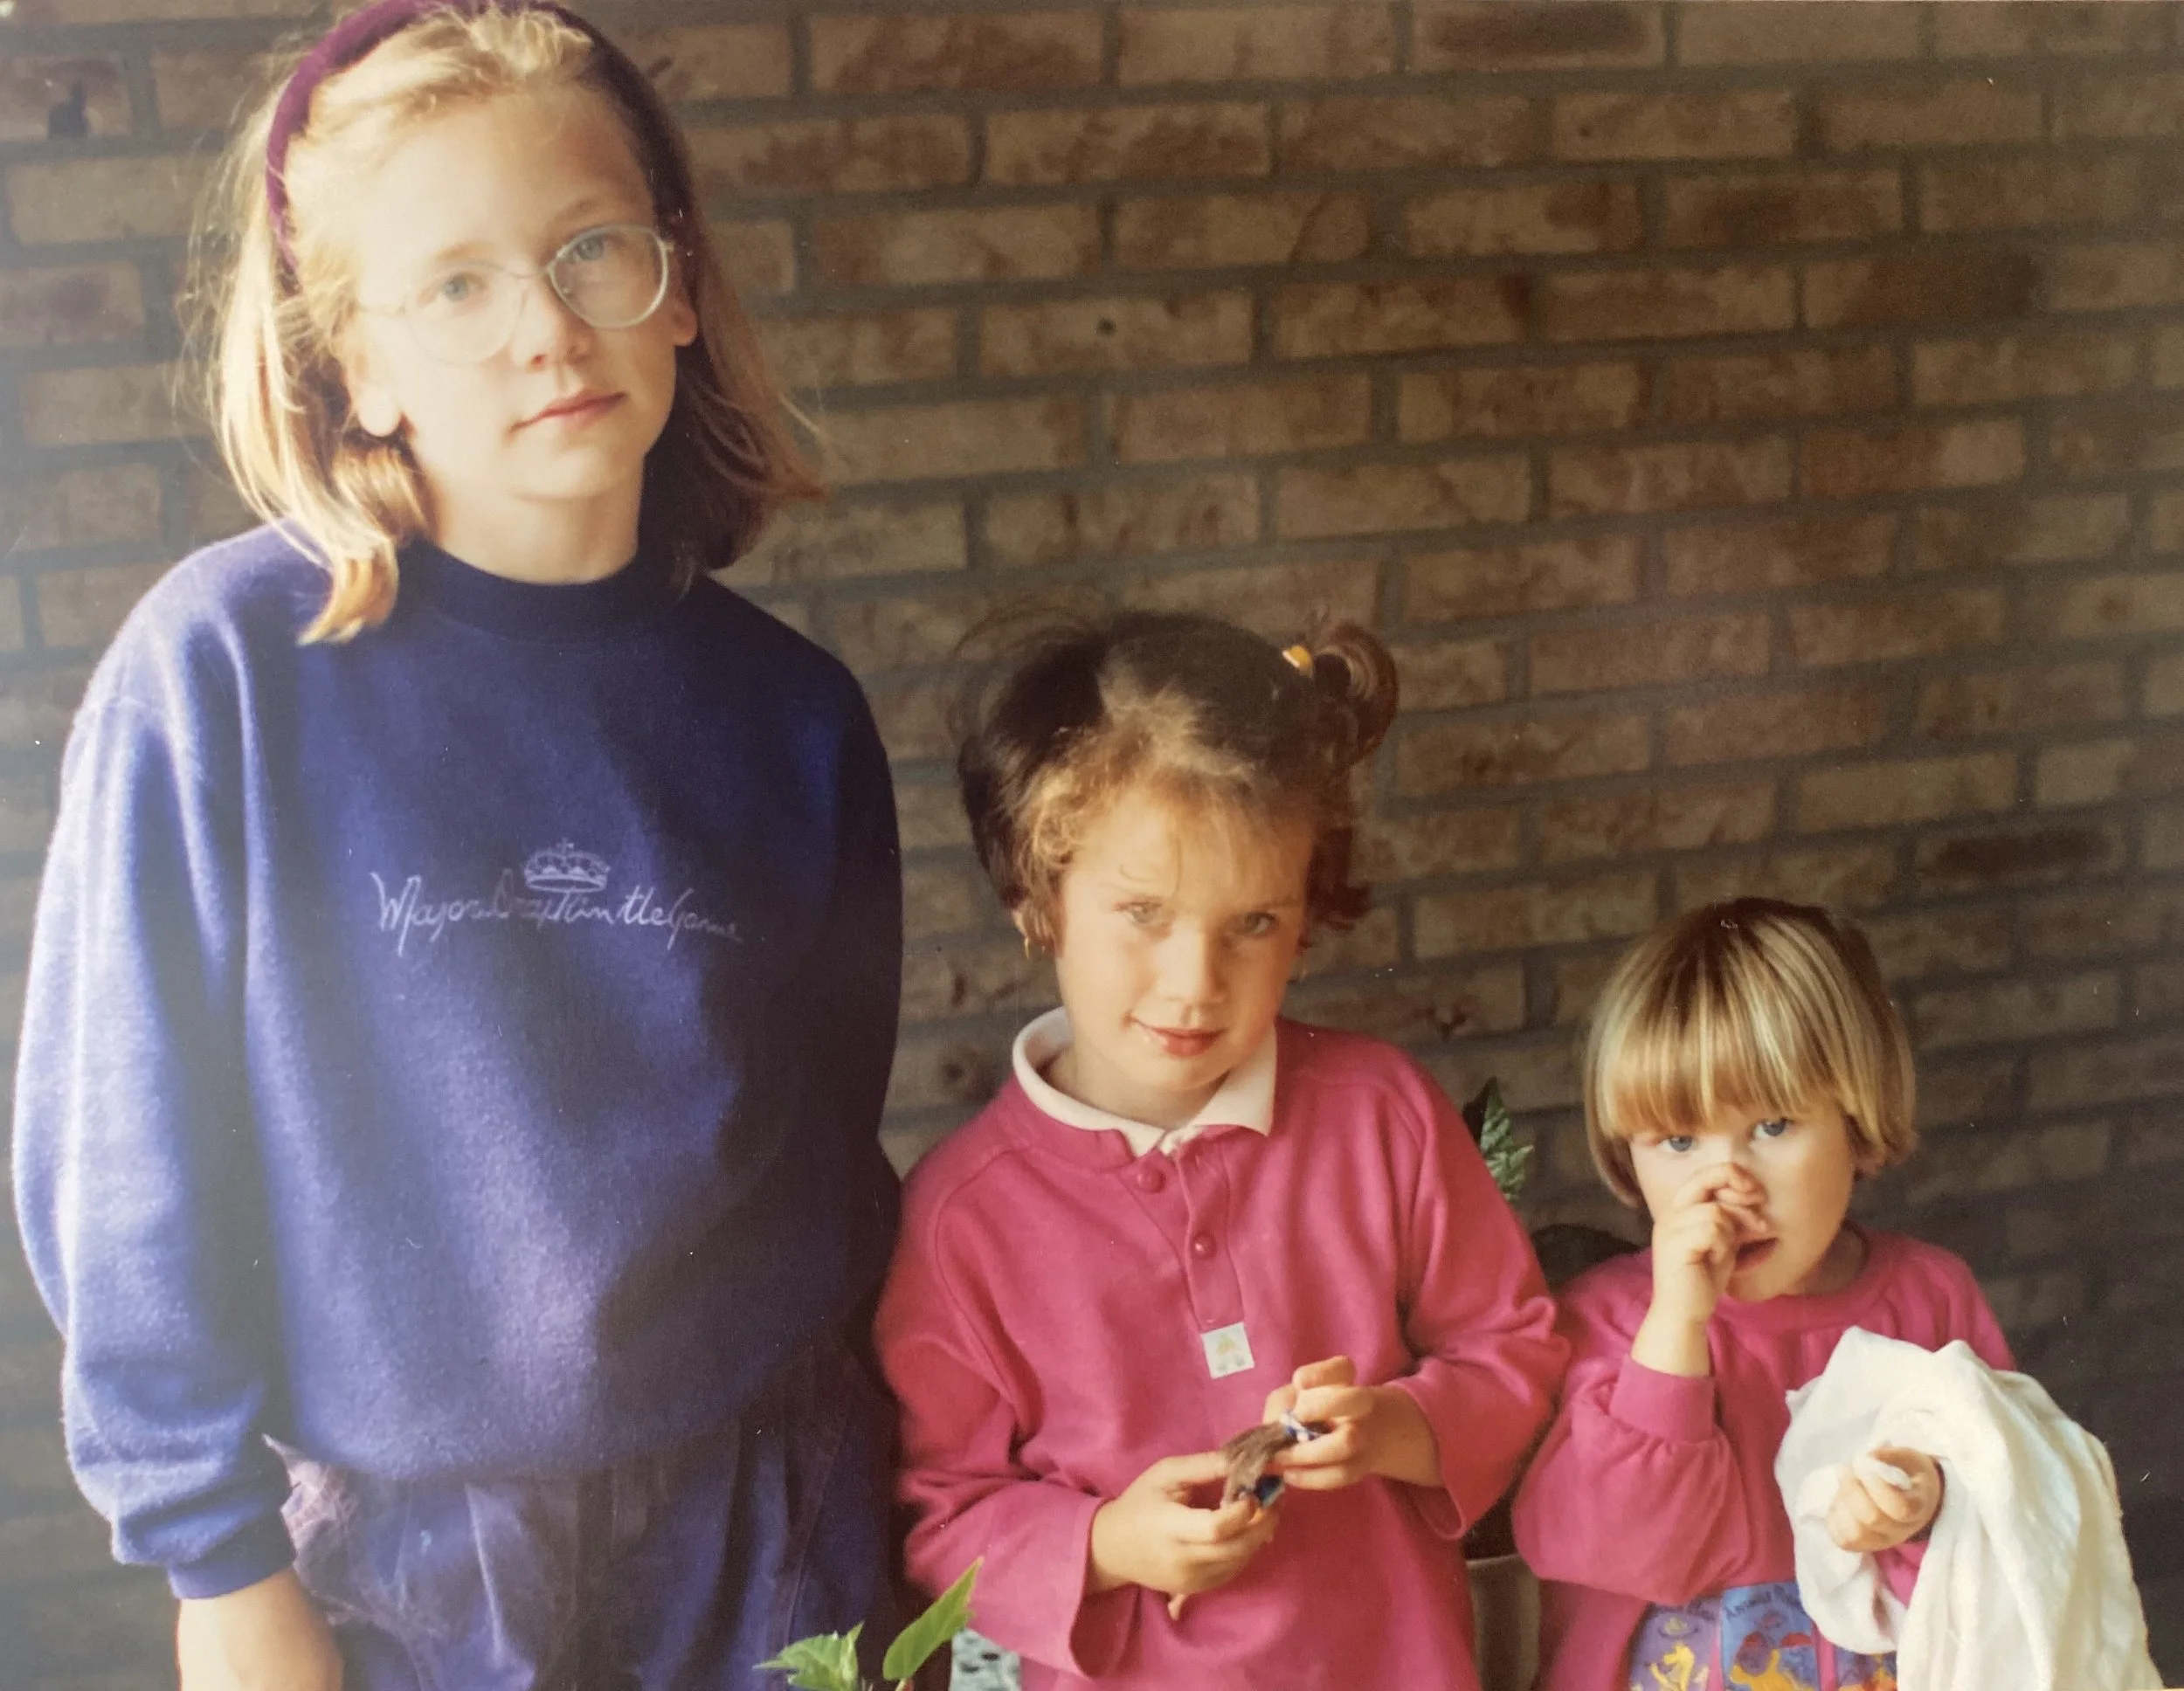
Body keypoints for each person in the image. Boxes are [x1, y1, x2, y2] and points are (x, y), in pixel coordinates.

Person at [10, 3, 903, 1688]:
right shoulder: (224, 677)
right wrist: (220, 1567)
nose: (548, 330)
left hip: (765, 1532)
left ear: (681, 282)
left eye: (592, 251)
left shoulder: (798, 718)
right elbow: (124, 1163)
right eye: (457, 287)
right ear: (354, 359)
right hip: (395, 1572)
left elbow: (825, 1154)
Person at [875, 611, 1565, 1690]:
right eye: (1143, 912)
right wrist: (1102, 1546)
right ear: (1036, 896)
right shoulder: (962, 1216)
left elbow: (1515, 1350)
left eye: (1252, 922)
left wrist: (1396, 1425)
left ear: (1306, 911)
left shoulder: (1380, 1116)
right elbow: (934, 1513)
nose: (1196, 981)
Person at [1513, 898, 2015, 1691]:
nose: (1727, 1182)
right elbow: (1626, 1553)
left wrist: (1927, 1504)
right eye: (1679, 1141)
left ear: (1855, 1119)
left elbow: (2020, 1537)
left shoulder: (1931, 1302)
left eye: (1773, 1125)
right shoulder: (1603, 1324)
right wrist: (1676, 1328)